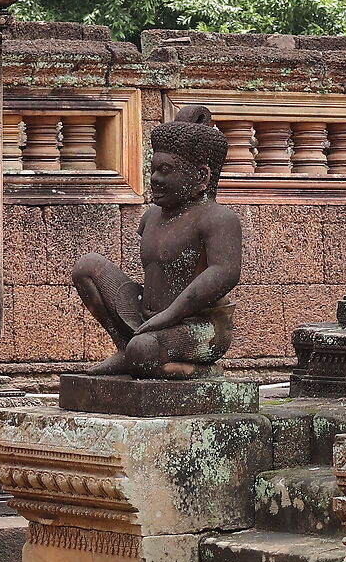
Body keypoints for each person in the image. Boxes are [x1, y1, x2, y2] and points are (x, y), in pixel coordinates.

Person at [71, 104, 241, 377]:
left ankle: (200, 372)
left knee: (144, 350)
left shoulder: (218, 218)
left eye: (165, 170)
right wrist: (152, 317)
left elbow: (224, 273)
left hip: (198, 327)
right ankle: (124, 348)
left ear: (201, 177)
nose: (154, 179)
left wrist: (170, 315)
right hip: (147, 317)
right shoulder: (152, 216)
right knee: (87, 267)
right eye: (153, 169)